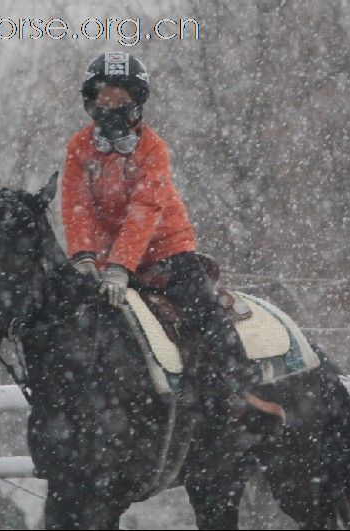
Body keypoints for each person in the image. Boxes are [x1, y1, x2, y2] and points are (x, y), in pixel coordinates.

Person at [61, 51, 263, 400]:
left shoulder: (153, 149)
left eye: (121, 100)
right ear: (90, 102)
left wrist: (121, 267)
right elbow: (75, 206)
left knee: (206, 314)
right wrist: (83, 257)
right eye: (103, 98)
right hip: (106, 264)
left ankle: (243, 392)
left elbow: (145, 209)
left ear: (137, 104)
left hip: (168, 252)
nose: (111, 107)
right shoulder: (78, 147)